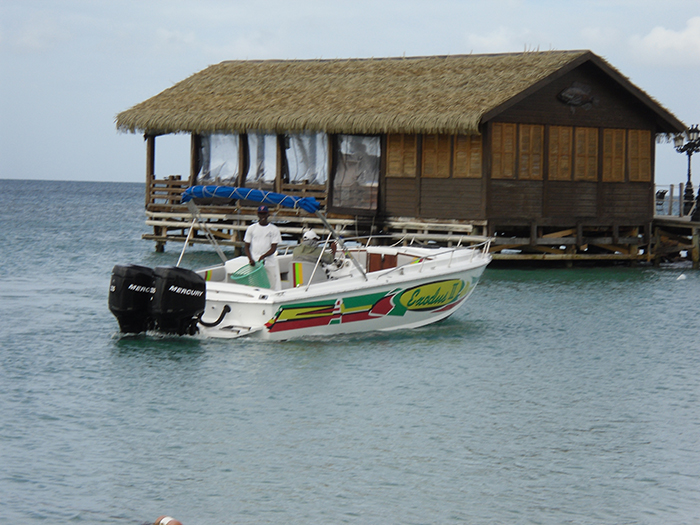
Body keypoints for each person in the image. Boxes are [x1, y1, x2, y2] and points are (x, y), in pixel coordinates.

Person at [244, 205, 282, 290]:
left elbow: (273, 248)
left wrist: (263, 256)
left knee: (271, 284)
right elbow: (246, 246)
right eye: (261, 214)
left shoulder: (274, 229)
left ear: (268, 215)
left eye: (264, 214)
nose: (263, 216)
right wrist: (250, 259)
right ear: (258, 215)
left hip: (269, 262)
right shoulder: (251, 228)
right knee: (254, 284)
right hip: (255, 262)